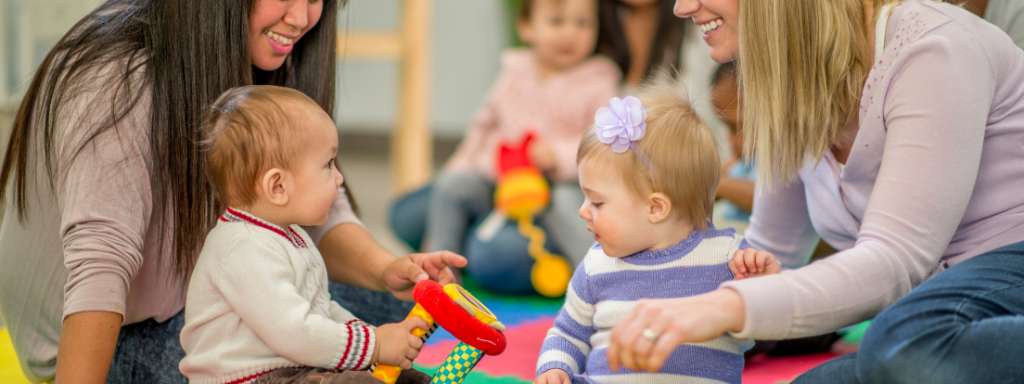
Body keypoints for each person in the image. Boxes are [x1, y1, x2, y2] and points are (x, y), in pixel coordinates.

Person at [0, 1, 465, 383]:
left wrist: (389, 270)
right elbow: (99, 270)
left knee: (392, 306)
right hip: (102, 335)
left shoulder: (257, 57)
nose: (302, 17)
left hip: (195, 299)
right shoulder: (120, 75)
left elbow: (319, 211)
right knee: (335, 341)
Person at [604, 0, 1024, 382]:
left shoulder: (934, 48)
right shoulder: (786, 88)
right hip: (930, 314)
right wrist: (658, 319)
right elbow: (771, 253)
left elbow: (894, 261)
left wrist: (721, 308)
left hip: (1004, 269)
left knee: (906, 342)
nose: (681, 7)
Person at [178, 86, 431, 384]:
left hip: (295, 369)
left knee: (407, 378)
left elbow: (321, 308)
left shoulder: (289, 234)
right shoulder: (241, 247)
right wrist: (374, 344)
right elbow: (295, 331)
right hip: (251, 379)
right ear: (278, 187)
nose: (339, 179)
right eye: (327, 164)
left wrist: (371, 338)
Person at [533, 88, 782, 384]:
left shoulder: (730, 258)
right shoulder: (595, 266)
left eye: (597, 202)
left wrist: (766, 284)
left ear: (656, 207)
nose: (583, 211)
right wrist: (554, 369)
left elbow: (784, 316)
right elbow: (567, 333)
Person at [421, 0, 620, 293]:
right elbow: (483, 124)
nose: (570, 33)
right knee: (451, 186)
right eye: (556, 22)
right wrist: (463, 166)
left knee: (569, 206)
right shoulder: (514, 70)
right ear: (527, 28)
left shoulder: (598, 77)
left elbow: (604, 138)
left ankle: (599, 281)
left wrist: (557, 155)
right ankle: (440, 273)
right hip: (504, 182)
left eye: (582, 23)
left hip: (558, 185)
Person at [707, 61, 753, 222]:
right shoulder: (744, 161)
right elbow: (709, 175)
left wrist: (717, 185)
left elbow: (766, 198)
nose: (729, 138)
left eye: (735, 127)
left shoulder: (781, 164)